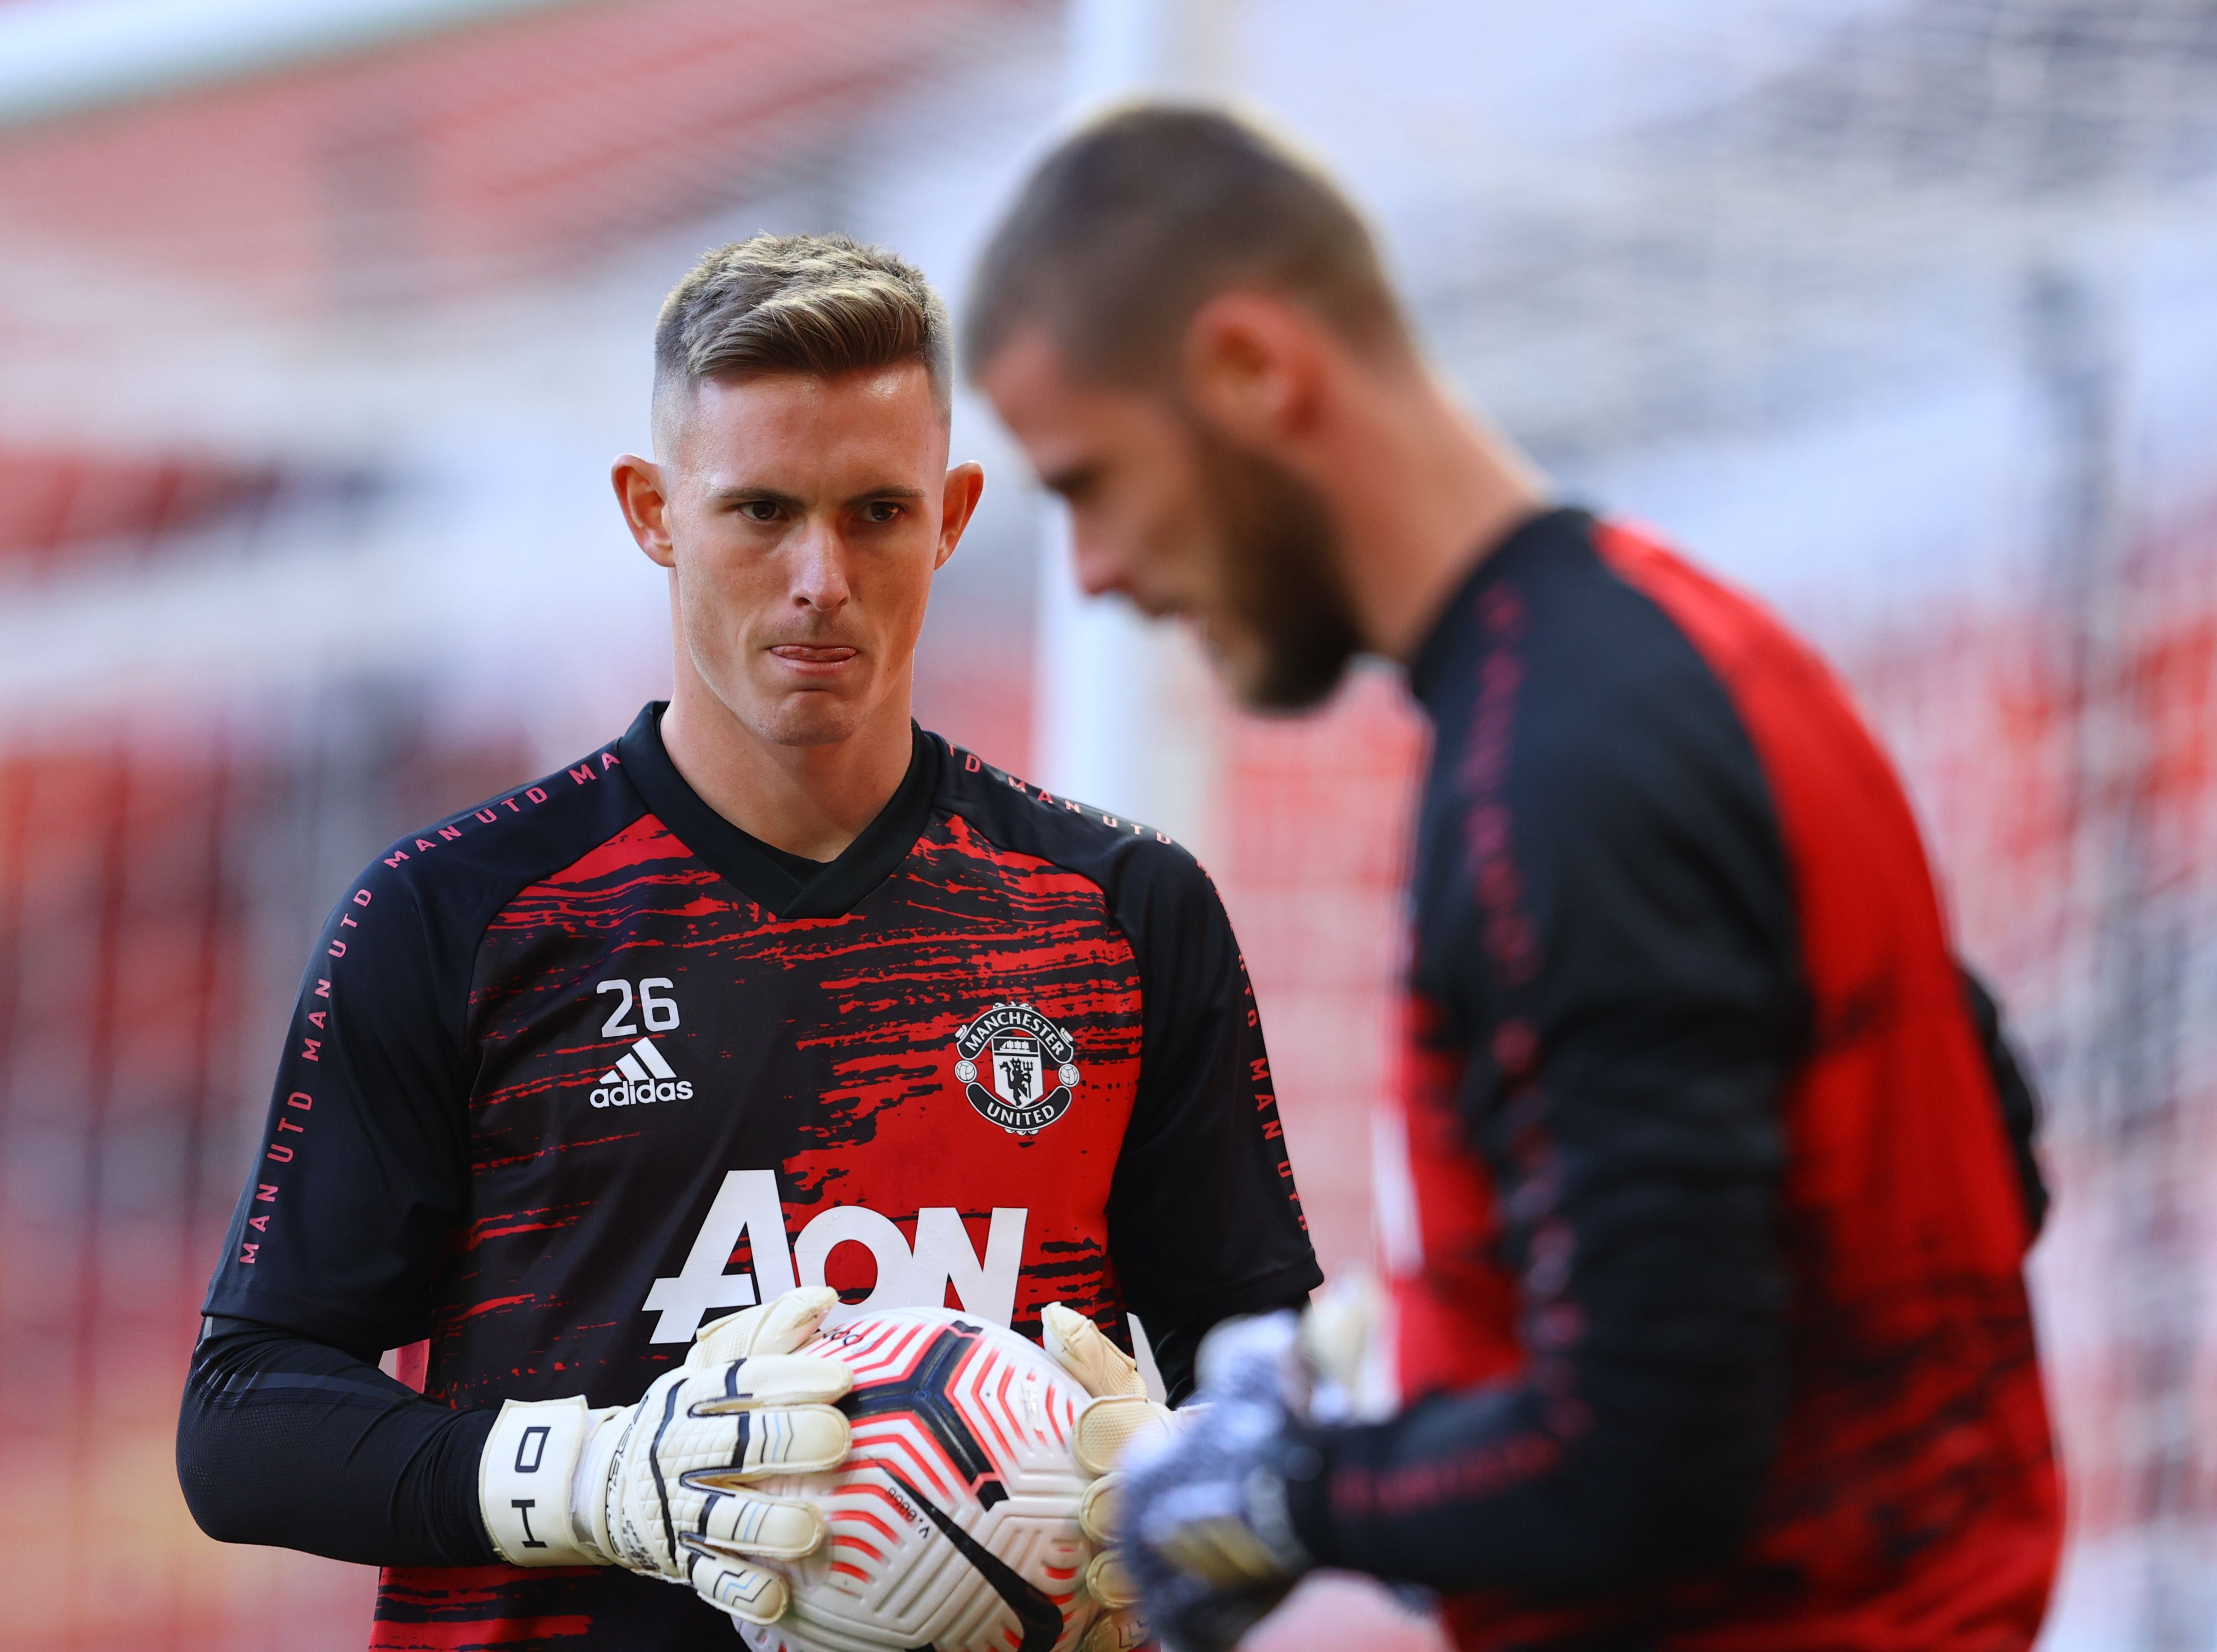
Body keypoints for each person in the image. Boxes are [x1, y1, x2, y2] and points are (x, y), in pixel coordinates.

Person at [965, 107, 2060, 1651]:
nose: (1090, 573)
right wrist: (1411, 1372)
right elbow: (1974, 1149)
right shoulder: (1704, 651)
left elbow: (1643, 1458)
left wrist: (1293, 1492)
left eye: (1085, 482)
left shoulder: (1558, 776)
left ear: (1250, 374)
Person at [177, 232, 1320, 1652]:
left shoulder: (1120, 910)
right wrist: (593, 1480)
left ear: (955, 513)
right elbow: (243, 1420)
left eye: (878, 513)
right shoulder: (462, 915)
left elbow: (1274, 1399)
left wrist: (1174, 1508)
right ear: (652, 511)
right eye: (762, 511)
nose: (821, 578)